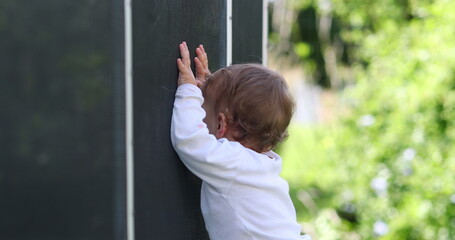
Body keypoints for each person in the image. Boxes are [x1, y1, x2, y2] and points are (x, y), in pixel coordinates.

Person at [171, 41, 310, 240]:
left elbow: (189, 139)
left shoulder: (234, 162)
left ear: (221, 124)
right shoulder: (262, 164)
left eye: (204, 109)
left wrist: (189, 92)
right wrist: (209, 92)